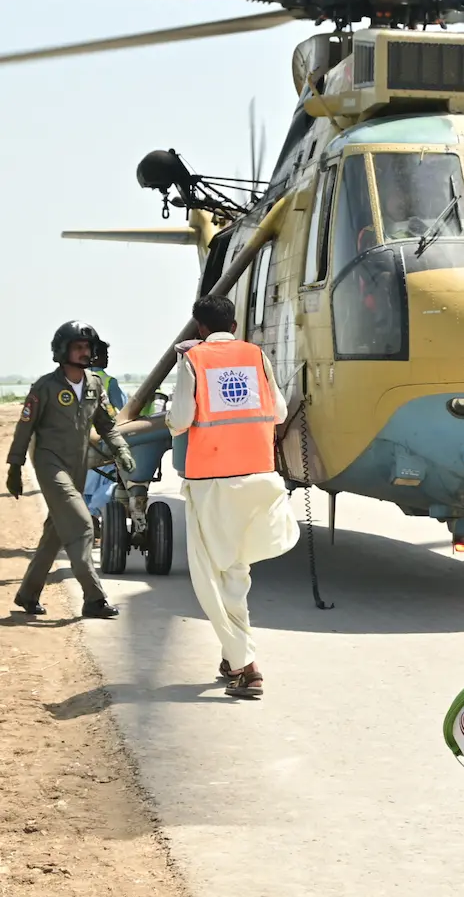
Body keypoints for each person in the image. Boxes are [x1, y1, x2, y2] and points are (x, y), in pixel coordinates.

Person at [166, 294, 299, 699]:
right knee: (236, 572)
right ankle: (231, 656)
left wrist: (173, 412)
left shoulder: (194, 360)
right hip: (259, 476)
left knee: (210, 575)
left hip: (213, 482)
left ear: (200, 328)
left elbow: (181, 421)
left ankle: (247, 668)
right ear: (235, 326)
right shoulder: (256, 356)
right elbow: (277, 413)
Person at [6, 321, 135, 619]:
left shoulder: (94, 385)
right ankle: (94, 598)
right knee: (81, 525)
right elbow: (25, 428)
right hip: (51, 465)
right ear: (62, 350)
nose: (84, 352)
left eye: (87, 347)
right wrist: (14, 466)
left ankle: (27, 594)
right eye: (78, 346)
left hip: (78, 466)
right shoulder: (45, 387)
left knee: (55, 531)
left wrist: (121, 449)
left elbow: (106, 425)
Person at [83, 339, 128, 541]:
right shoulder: (108, 382)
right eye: (104, 355)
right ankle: (93, 513)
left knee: (84, 482)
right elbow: (123, 410)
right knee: (114, 479)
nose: (107, 358)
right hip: (102, 441)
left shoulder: (73, 380)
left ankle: (84, 519)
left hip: (80, 441)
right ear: (95, 357)